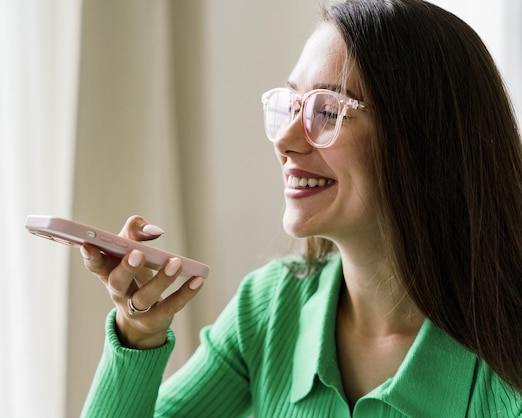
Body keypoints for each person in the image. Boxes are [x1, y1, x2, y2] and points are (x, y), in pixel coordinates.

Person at [79, 0, 522, 416]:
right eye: (291, 105)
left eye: (327, 111)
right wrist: (139, 333)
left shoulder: (504, 364)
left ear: (425, 139)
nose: (285, 141)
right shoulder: (271, 307)